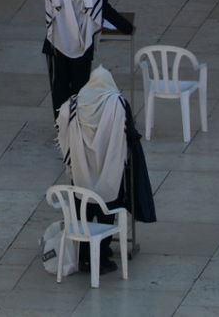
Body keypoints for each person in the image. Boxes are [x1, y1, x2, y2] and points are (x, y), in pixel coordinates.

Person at [55, 66, 155, 274]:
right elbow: (129, 132)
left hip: (81, 170)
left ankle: (83, 255)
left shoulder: (74, 103)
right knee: (107, 210)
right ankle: (101, 256)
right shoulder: (117, 103)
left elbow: (62, 123)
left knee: (83, 211)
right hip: (110, 168)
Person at [42, 0, 133, 116]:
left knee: (60, 84)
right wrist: (126, 27)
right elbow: (106, 10)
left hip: (57, 44)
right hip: (83, 44)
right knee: (81, 84)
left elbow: (50, 13)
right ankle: (79, 120)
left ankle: (61, 122)